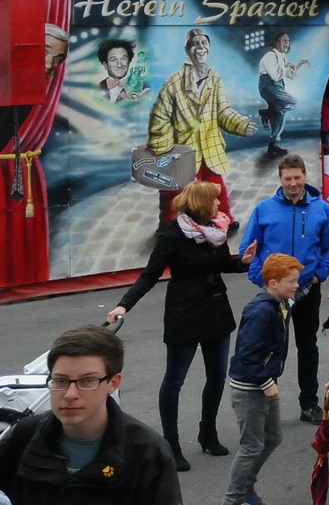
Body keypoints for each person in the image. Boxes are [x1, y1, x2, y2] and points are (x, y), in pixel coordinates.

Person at [105, 180, 254, 472]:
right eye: (213, 200)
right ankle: (171, 444)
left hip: (215, 310)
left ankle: (207, 432)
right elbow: (150, 275)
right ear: (201, 204)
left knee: (216, 376)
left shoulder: (216, 229)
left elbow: (223, 264)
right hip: (184, 313)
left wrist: (243, 262)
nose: (218, 204)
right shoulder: (172, 234)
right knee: (174, 380)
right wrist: (124, 305)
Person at [0, 325, 181, 505]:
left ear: (113, 383)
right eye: (60, 380)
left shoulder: (147, 452)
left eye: (87, 381)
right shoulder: (22, 438)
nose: (70, 394)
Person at [239, 153, 329, 423]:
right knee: (270, 346)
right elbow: (249, 247)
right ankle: (267, 405)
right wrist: (260, 278)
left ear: (305, 176)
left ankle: (309, 404)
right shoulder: (264, 209)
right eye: (287, 179)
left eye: (297, 177)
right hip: (273, 292)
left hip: (306, 288)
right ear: (280, 179)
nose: (293, 183)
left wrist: (319, 275)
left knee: (308, 345)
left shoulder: (321, 209)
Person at [146, 27, 257, 220]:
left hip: (209, 144)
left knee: (215, 186)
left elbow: (222, 110)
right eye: (195, 44)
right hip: (184, 149)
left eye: (204, 43)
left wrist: (241, 124)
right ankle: (170, 225)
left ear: (209, 48)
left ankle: (222, 218)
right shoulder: (173, 82)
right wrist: (164, 149)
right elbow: (159, 116)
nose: (200, 47)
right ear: (187, 50)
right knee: (176, 192)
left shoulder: (214, 78)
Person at [222, 252, 299, 505]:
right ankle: (233, 499)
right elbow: (247, 354)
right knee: (251, 446)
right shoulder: (262, 311)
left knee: (272, 437)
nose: (296, 285)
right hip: (251, 387)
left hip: (263, 381)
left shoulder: (280, 303)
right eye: (291, 281)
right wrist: (266, 383)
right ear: (273, 283)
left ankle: (245, 489)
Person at [255, 32, 308, 159]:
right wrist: (285, 67)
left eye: (288, 41)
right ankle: (267, 113)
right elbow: (275, 76)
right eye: (284, 40)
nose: (286, 43)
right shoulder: (270, 55)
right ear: (277, 42)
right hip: (268, 86)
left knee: (280, 113)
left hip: (277, 87)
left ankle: (272, 144)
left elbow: (290, 75)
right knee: (292, 102)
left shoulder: (283, 57)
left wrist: (298, 65)